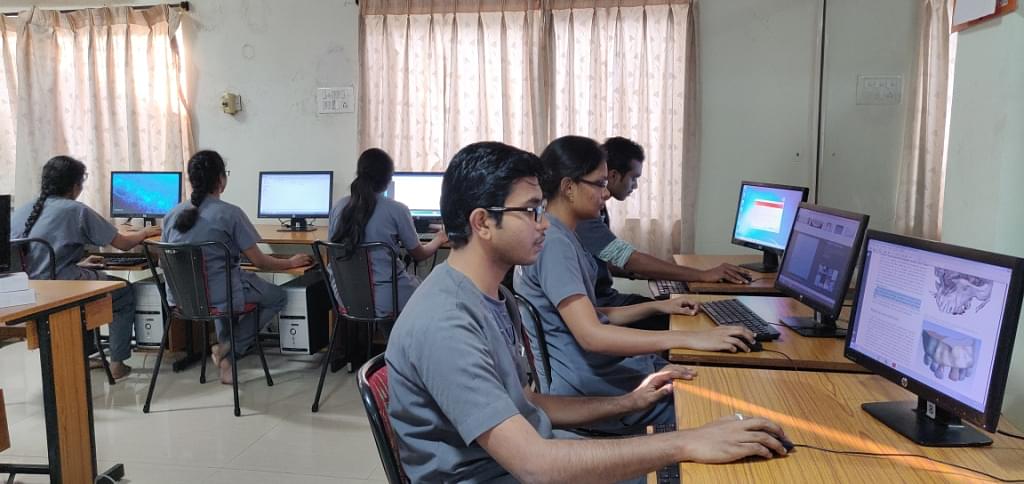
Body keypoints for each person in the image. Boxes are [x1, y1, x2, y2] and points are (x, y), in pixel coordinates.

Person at [386, 141, 790, 483]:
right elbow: (535, 464)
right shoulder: (446, 322)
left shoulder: (492, 297)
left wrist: (628, 402)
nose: (544, 224)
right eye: (530, 211)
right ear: (482, 223)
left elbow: (529, 404)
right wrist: (685, 442)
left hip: (529, 456)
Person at [515, 136, 756, 432]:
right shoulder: (556, 244)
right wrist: (688, 338)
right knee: (716, 400)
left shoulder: (563, 235)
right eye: (599, 184)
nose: (606, 193)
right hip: (592, 388)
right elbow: (592, 335)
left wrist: (659, 306)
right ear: (568, 187)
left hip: (597, 372)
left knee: (707, 377)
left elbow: (592, 315)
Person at [162, 150, 312, 384]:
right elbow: (260, 262)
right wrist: (290, 263)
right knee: (276, 296)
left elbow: (166, 258)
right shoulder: (230, 214)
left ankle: (227, 360)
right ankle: (228, 349)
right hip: (221, 296)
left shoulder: (171, 215)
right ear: (221, 180)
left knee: (223, 289)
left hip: (182, 301)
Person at [575, 137, 750, 329]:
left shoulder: (597, 209)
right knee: (687, 320)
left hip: (605, 301)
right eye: (634, 178)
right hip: (600, 306)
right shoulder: (585, 216)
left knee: (677, 311)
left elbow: (606, 258)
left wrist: (648, 273)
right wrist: (702, 275)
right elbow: (629, 258)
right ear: (614, 176)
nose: (635, 186)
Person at [11, 155, 159, 380]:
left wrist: (77, 264)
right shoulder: (76, 210)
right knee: (124, 292)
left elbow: (37, 259)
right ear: (75, 185)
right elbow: (124, 244)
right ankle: (117, 363)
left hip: (31, 292)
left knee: (91, 278)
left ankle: (85, 356)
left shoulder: (22, 211)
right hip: (64, 290)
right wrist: (145, 232)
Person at [328, 148, 447, 318]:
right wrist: (439, 239)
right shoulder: (397, 210)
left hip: (345, 299)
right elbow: (419, 255)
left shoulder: (338, 207)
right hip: (386, 300)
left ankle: (382, 332)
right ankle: (399, 334)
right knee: (431, 290)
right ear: (388, 180)